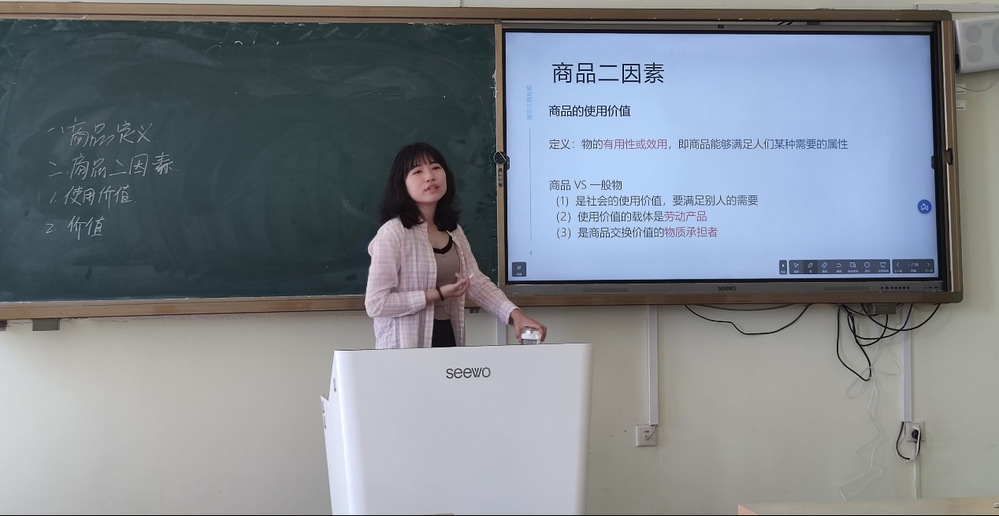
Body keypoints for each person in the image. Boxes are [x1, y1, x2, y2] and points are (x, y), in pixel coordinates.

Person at [364, 141, 547, 349]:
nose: (429, 176)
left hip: (447, 336)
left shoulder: (452, 230)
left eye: (435, 167)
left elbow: (475, 281)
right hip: (405, 346)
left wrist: (515, 315)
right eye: (417, 171)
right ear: (401, 184)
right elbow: (377, 304)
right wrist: (437, 294)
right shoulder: (393, 232)